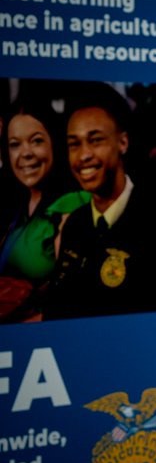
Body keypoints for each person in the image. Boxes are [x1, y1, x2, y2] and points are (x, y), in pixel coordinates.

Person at [42, 83, 156, 320]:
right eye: (74, 144)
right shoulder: (75, 224)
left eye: (95, 140)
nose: (84, 155)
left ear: (123, 142)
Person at [0, 97, 91, 322]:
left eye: (36, 141)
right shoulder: (18, 206)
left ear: (55, 143)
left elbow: (75, 304)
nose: (25, 153)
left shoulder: (74, 206)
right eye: (14, 144)